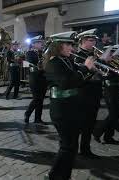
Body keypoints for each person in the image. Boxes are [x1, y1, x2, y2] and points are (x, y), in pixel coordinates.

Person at [44, 31, 95, 180]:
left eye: (72, 45)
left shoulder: (66, 60)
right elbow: (66, 83)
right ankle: (53, 175)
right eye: (68, 44)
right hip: (62, 110)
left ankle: (64, 175)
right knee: (67, 146)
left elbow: (78, 80)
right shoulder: (53, 63)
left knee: (71, 146)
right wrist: (85, 68)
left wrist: (90, 70)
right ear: (58, 45)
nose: (71, 48)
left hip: (71, 107)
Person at [74, 29, 102, 158]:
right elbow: (79, 77)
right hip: (84, 93)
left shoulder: (94, 54)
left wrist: (104, 62)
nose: (94, 42)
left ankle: (85, 148)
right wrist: (91, 70)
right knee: (83, 123)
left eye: (94, 40)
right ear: (82, 41)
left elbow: (103, 73)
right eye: (91, 40)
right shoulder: (77, 56)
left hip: (95, 92)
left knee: (90, 123)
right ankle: (81, 149)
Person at [24, 35, 47, 124]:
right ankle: (27, 113)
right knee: (37, 98)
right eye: (39, 43)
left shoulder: (43, 52)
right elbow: (29, 64)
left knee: (41, 99)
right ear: (33, 44)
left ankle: (38, 119)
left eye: (41, 42)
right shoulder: (30, 53)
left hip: (43, 77)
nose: (41, 44)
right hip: (34, 77)